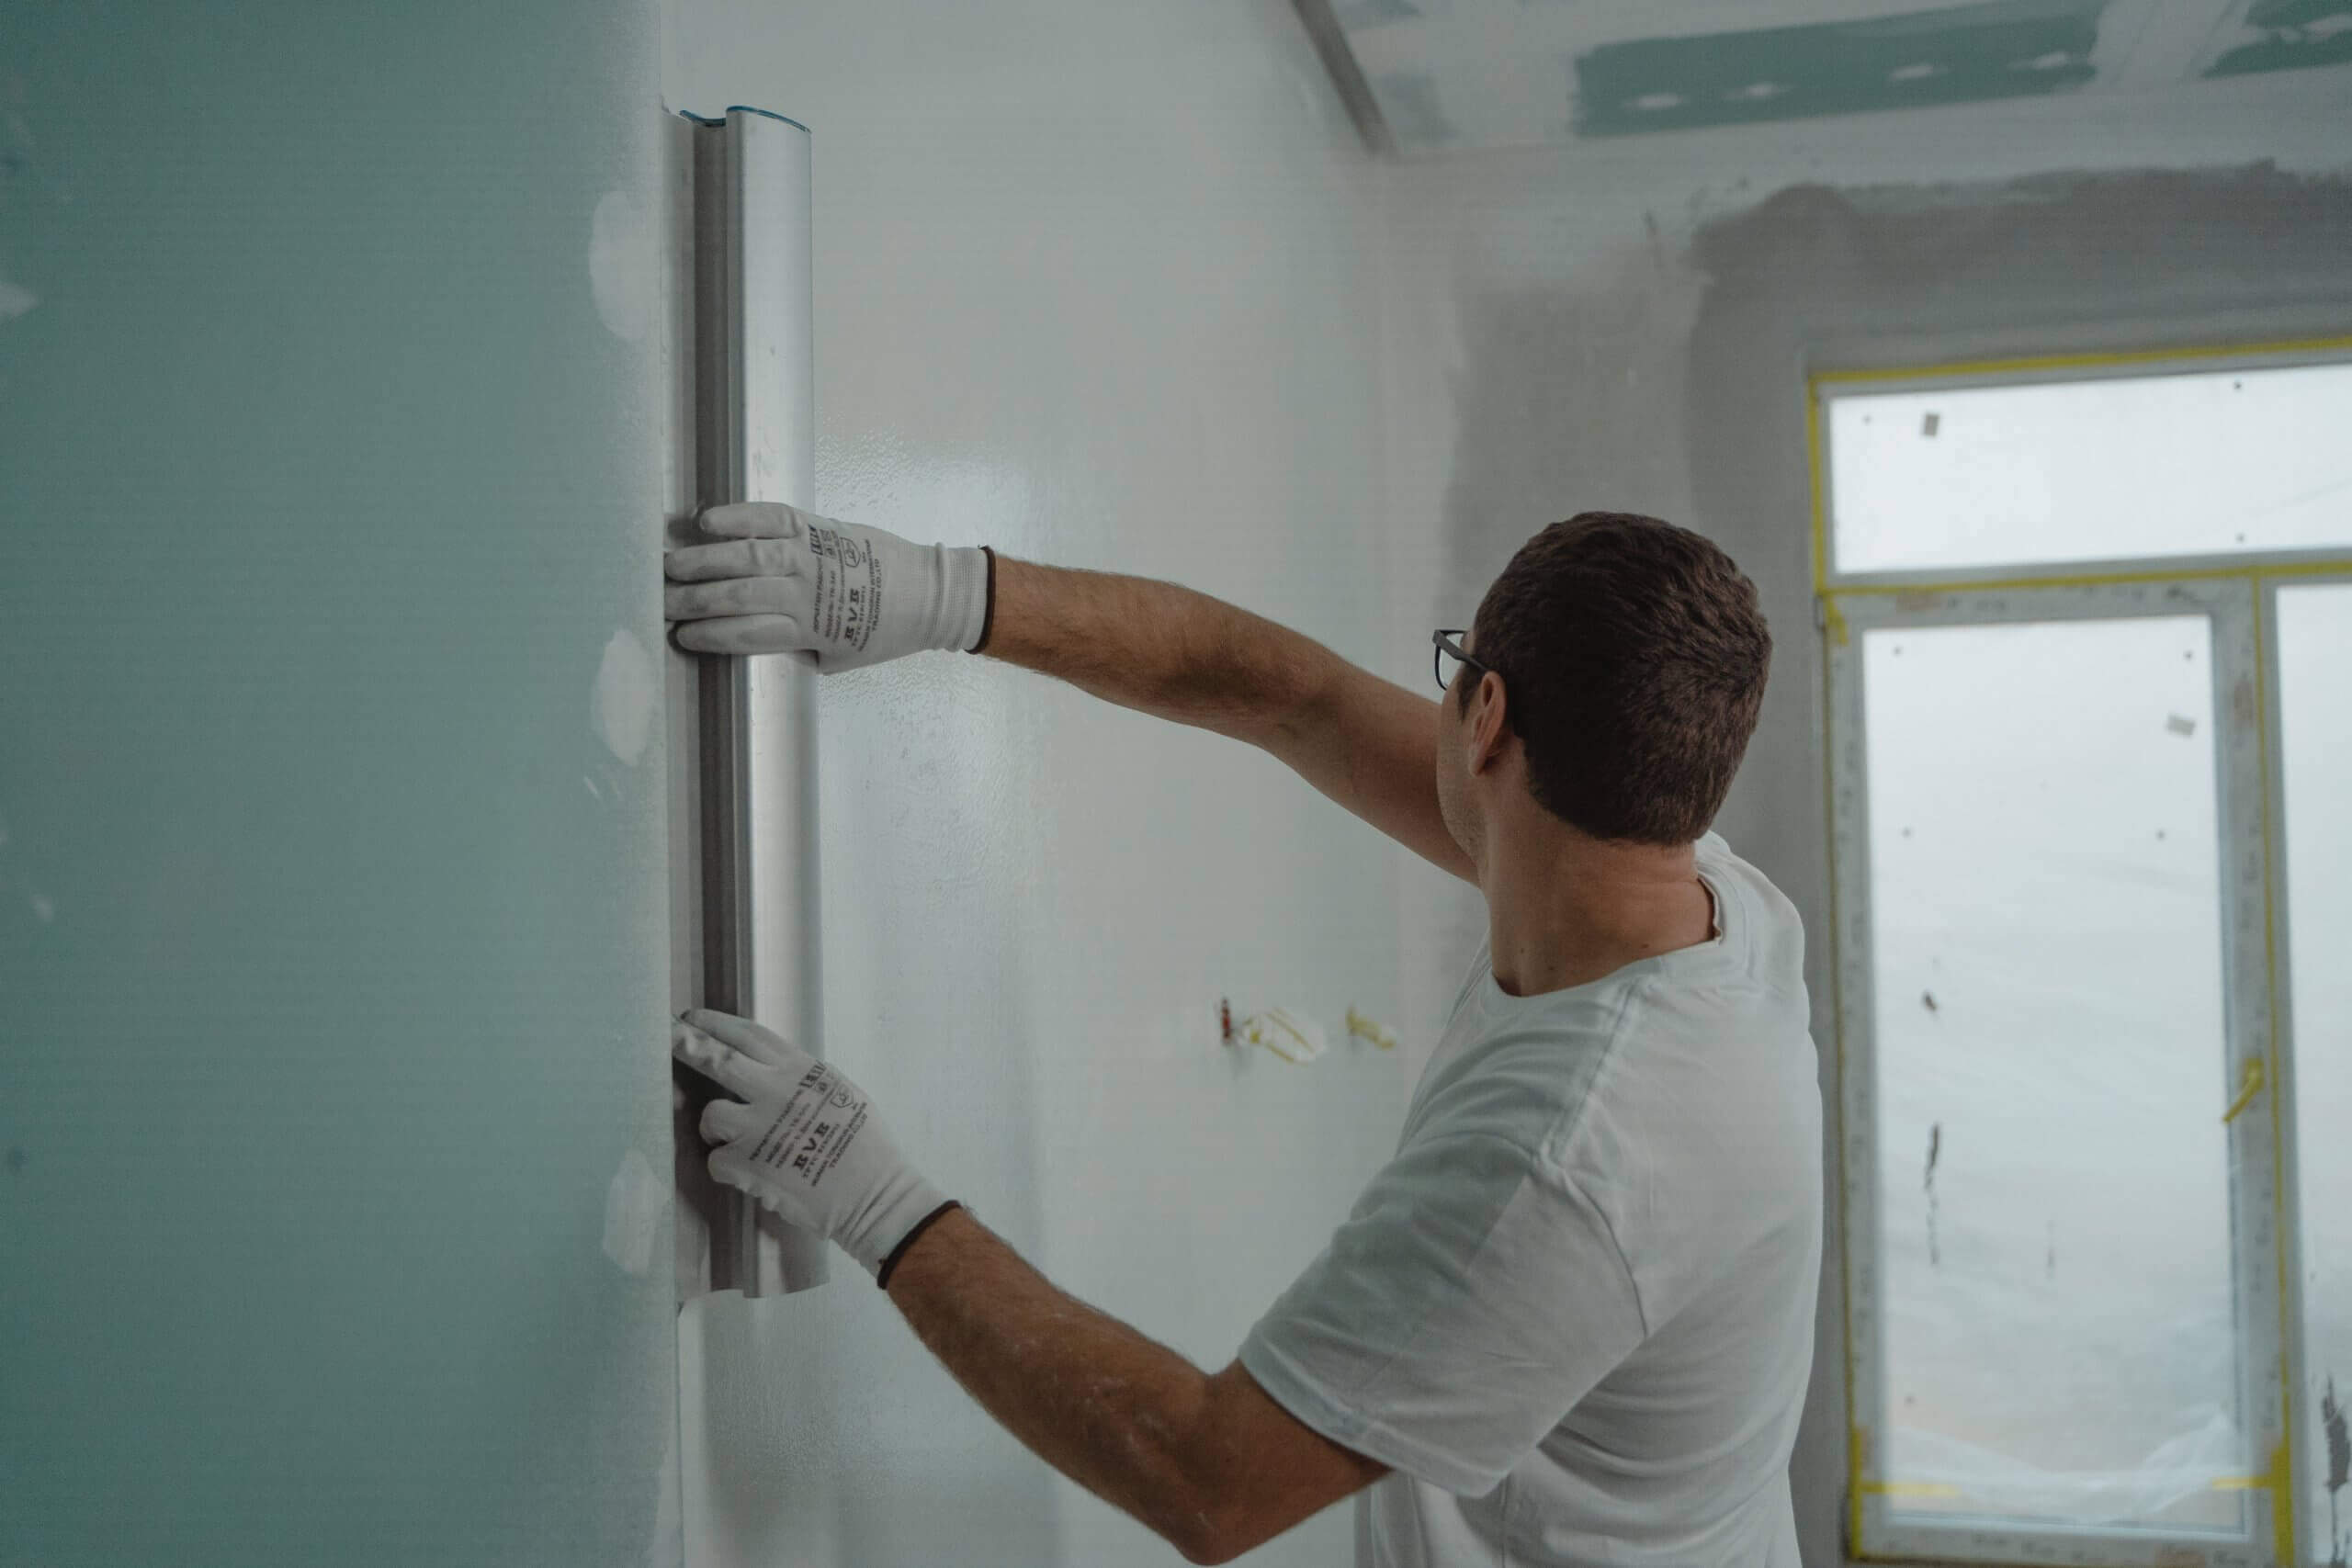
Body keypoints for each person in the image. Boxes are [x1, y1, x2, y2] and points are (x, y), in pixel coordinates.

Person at [662, 503, 1821, 1567]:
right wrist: (942, 595)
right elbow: (1292, 696)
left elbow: (1207, 1480)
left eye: (1454, 668)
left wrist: (871, 1199)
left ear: (1486, 716)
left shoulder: (1573, 1165)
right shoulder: (1693, 897)